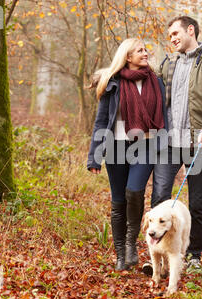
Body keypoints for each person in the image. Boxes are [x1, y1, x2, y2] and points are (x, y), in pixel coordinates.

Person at [143, 16, 202, 274]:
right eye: (169, 36)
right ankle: (156, 256)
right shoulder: (169, 64)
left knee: (197, 203)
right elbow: (144, 82)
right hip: (168, 144)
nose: (172, 39)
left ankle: (193, 257)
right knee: (159, 199)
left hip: (198, 144)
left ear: (191, 30)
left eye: (175, 33)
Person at [87, 38, 168, 271]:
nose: (145, 53)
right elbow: (101, 121)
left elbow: (162, 114)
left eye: (145, 50)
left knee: (134, 192)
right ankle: (121, 254)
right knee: (118, 201)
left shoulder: (155, 81)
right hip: (115, 148)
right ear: (128, 57)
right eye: (140, 51)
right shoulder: (112, 83)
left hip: (144, 146)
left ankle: (132, 243)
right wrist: (94, 156)